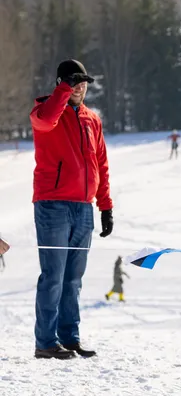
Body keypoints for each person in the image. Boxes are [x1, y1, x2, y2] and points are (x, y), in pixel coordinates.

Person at [31, 59, 112, 360]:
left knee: (73, 279)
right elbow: (46, 119)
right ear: (60, 83)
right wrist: (63, 91)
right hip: (52, 205)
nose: (80, 86)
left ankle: (70, 338)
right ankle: (45, 342)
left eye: (83, 82)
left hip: (83, 208)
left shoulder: (92, 119)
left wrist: (105, 206)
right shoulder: (44, 111)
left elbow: (100, 163)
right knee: (53, 276)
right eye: (73, 81)